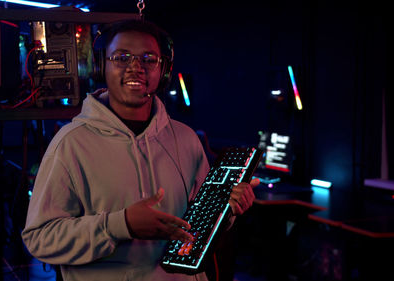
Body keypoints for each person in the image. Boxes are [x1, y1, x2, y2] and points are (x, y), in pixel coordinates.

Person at [21, 19, 259, 281]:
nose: (136, 68)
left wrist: (225, 212)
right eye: (121, 57)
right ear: (101, 66)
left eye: (149, 58)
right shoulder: (70, 144)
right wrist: (120, 225)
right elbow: (40, 239)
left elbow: (199, 230)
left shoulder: (186, 139)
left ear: (163, 70)